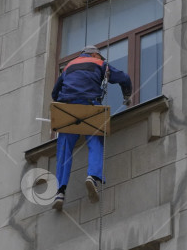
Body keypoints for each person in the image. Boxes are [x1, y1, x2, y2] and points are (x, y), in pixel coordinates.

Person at [50, 45, 132, 210]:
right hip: (89, 105)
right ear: (95, 54)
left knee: (64, 149)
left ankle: (60, 191)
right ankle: (93, 176)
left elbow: (54, 93)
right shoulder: (100, 64)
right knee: (95, 141)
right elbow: (123, 78)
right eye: (100, 56)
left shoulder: (68, 67)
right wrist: (127, 95)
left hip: (68, 109)